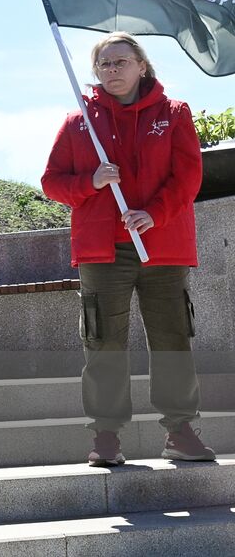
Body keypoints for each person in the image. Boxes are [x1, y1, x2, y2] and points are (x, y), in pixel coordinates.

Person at [40, 31, 212, 467]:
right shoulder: (78, 121)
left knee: (173, 338)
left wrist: (154, 213)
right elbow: (52, 182)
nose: (112, 70)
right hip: (102, 249)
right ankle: (106, 436)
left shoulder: (173, 114)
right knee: (103, 342)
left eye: (120, 61)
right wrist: (91, 182)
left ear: (142, 65)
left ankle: (180, 430)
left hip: (164, 247)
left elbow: (187, 177)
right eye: (104, 64)